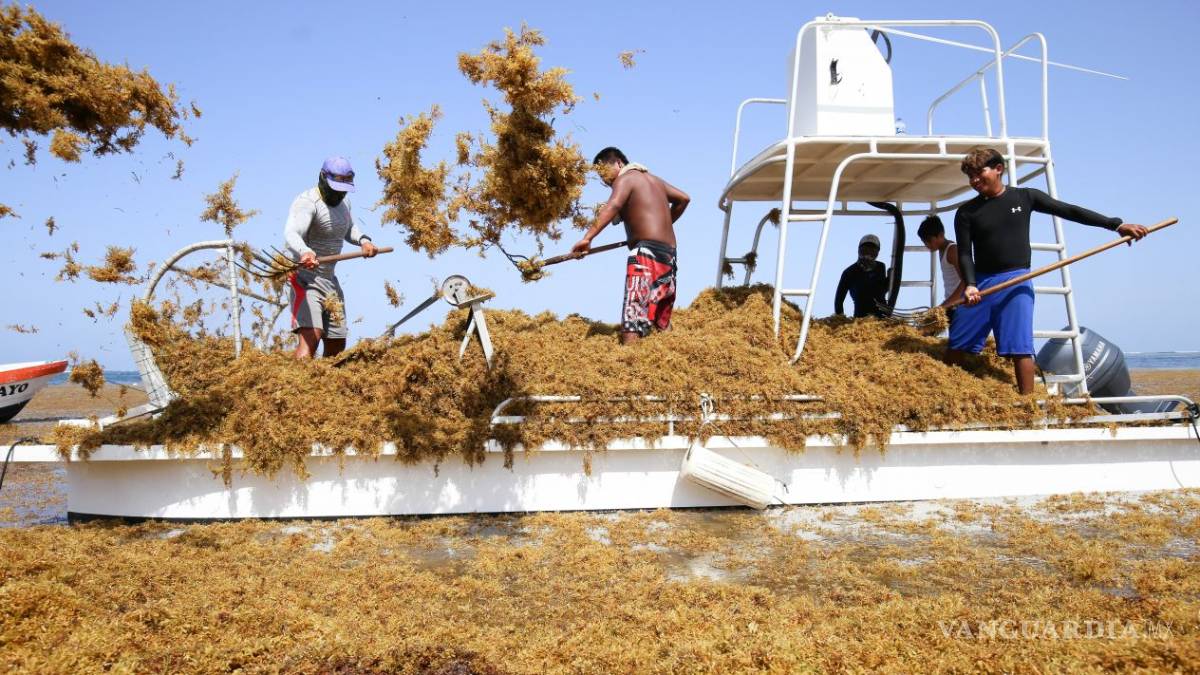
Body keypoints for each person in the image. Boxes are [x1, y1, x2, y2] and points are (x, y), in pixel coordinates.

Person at [948, 146, 1148, 394]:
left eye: (979, 173)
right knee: (957, 343)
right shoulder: (966, 212)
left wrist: (1115, 225)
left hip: (1017, 280)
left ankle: (1027, 404)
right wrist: (970, 284)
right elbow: (966, 253)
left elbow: (1070, 211)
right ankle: (949, 391)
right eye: (970, 176)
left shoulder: (1025, 197)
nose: (975, 181)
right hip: (982, 284)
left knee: (1020, 347)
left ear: (998, 169)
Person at [571, 147, 690, 345]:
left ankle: (629, 361)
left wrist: (588, 237)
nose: (605, 181)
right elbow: (684, 199)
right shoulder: (655, 181)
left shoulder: (626, 179)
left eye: (604, 173)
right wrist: (662, 224)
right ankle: (672, 353)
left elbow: (614, 205)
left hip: (646, 254)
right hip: (669, 254)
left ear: (618, 163)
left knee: (633, 311)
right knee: (661, 315)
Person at [283, 156, 379, 359]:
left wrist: (364, 241)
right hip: (304, 279)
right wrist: (305, 252)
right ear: (322, 178)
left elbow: (350, 228)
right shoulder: (307, 202)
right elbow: (292, 233)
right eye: (335, 188)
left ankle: (325, 387)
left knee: (337, 343)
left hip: (329, 281)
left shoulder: (345, 204)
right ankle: (297, 385)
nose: (338, 194)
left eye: (343, 189)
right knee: (311, 336)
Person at [917, 215, 965, 312]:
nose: (926, 245)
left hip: (960, 305)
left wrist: (945, 305)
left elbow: (966, 281)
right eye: (924, 242)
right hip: (952, 304)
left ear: (940, 235)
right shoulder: (941, 250)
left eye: (929, 241)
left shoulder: (952, 250)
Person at [833, 234, 888, 318]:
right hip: (861, 320)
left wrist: (892, 278)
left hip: (883, 318)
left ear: (877, 252)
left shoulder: (881, 267)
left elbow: (881, 290)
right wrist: (840, 320)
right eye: (865, 248)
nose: (868, 251)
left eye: (872, 249)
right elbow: (838, 301)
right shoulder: (849, 272)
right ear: (859, 250)